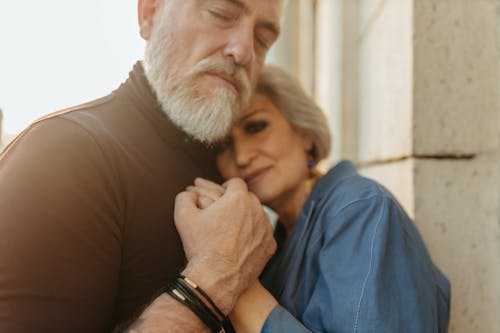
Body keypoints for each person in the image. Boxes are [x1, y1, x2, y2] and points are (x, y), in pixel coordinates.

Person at [0, 0, 286, 332]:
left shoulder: (232, 166)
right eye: (221, 15)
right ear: (149, 14)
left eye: (263, 39)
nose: (244, 51)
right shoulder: (62, 155)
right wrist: (214, 278)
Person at [187, 65, 451, 332]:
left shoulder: (360, 211)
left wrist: (231, 273)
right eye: (223, 145)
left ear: (305, 134)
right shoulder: (276, 241)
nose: (242, 156)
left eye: (256, 126)